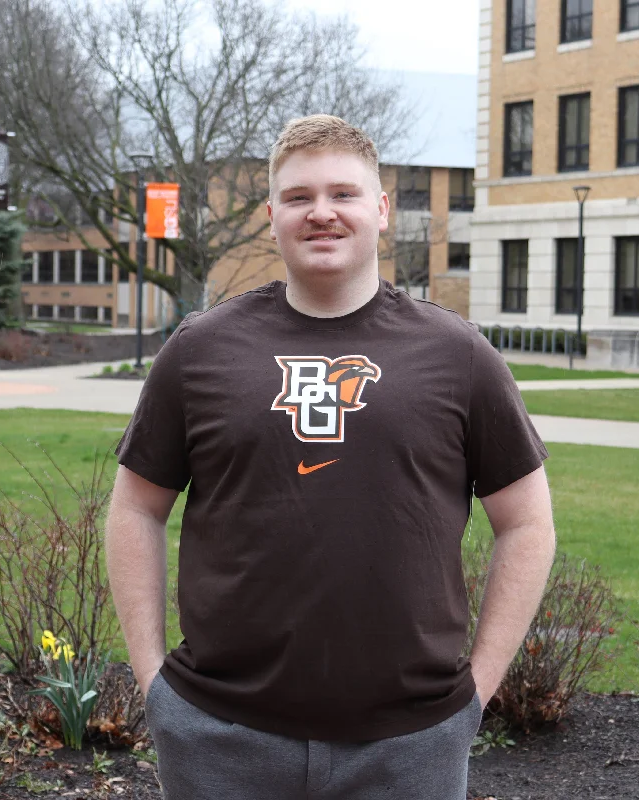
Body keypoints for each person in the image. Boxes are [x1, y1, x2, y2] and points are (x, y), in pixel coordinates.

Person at [106, 115, 557, 800]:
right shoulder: (200, 351)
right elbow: (136, 508)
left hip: (413, 744)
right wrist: (154, 686)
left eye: (343, 194)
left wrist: (475, 694)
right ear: (271, 216)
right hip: (219, 738)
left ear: (380, 210)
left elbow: (527, 522)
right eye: (298, 197)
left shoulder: (458, 355)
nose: (322, 213)